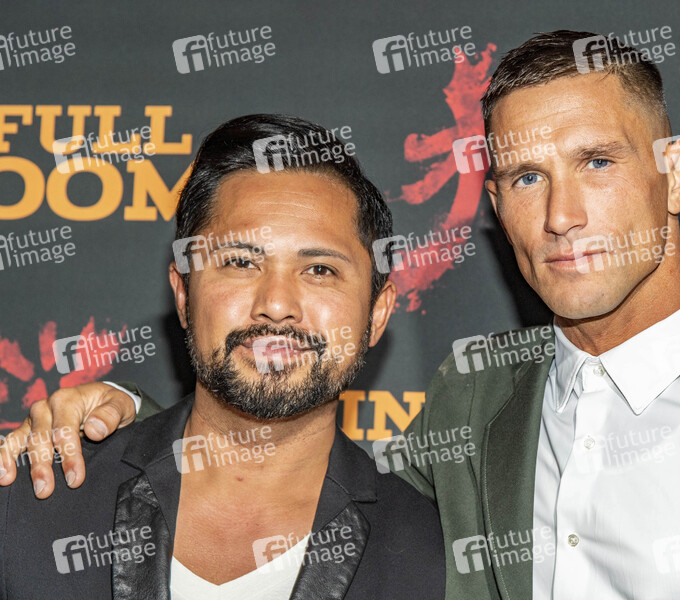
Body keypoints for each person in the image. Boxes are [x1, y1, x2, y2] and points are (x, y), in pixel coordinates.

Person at [6, 31, 680, 600]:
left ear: (675, 173)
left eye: (596, 162)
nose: (562, 214)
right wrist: (119, 423)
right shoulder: (473, 404)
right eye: (525, 176)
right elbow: (292, 459)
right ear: (496, 204)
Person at [0, 114, 444, 599]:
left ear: (377, 314)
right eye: (240, 262)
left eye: (319, 270)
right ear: (183, 294)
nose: (277, 304)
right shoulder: (30, 500)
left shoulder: (431, 558)